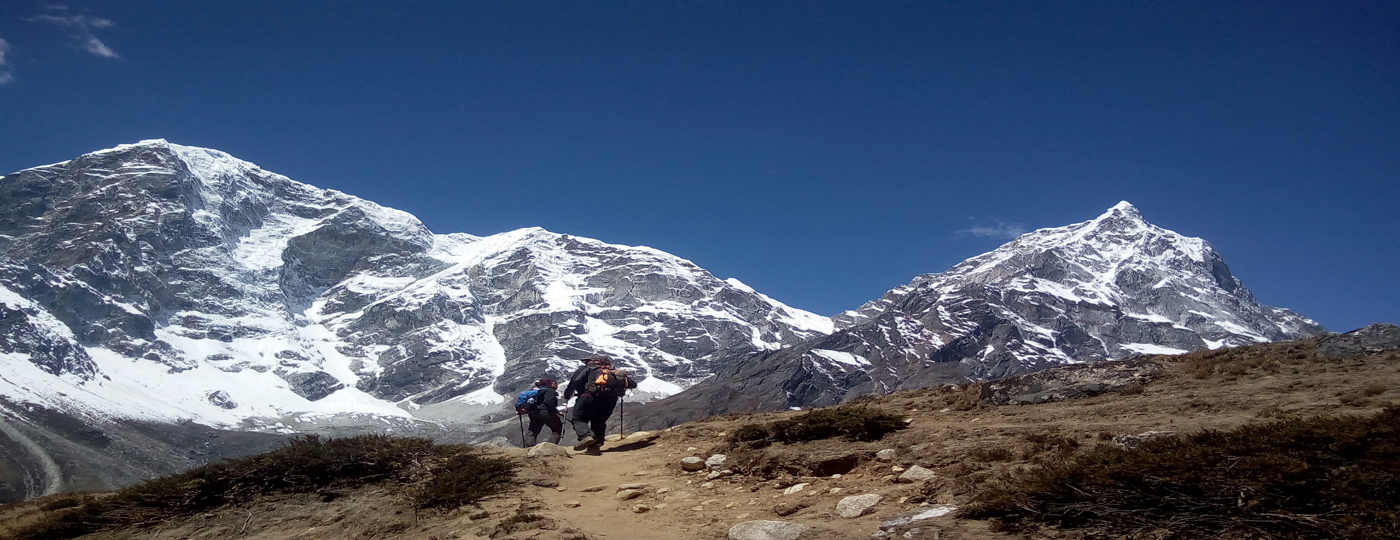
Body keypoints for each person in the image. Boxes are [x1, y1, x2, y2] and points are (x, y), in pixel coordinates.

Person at [563, 355, 634, 451]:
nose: (586, 363)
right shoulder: (616, 372)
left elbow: (575, 381)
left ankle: (586, 436)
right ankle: (596, 445)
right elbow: (633, 384)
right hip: (610, 400)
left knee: (578, 419)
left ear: (596, 361)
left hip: (588, 396)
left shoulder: (588, 369)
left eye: (587, 361)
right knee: (599, 421)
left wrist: (567, 394)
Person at [522, 378, 563, 446]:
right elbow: (548, 402)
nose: (557, 385)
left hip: (534, 413)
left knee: (533, 430)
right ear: (552, 384)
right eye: (556, 383)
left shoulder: (537, 391)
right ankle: (550, 447)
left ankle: (529, 447)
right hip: (545, 412)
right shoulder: (550, 391)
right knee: (557, 429)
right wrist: (556, 411)